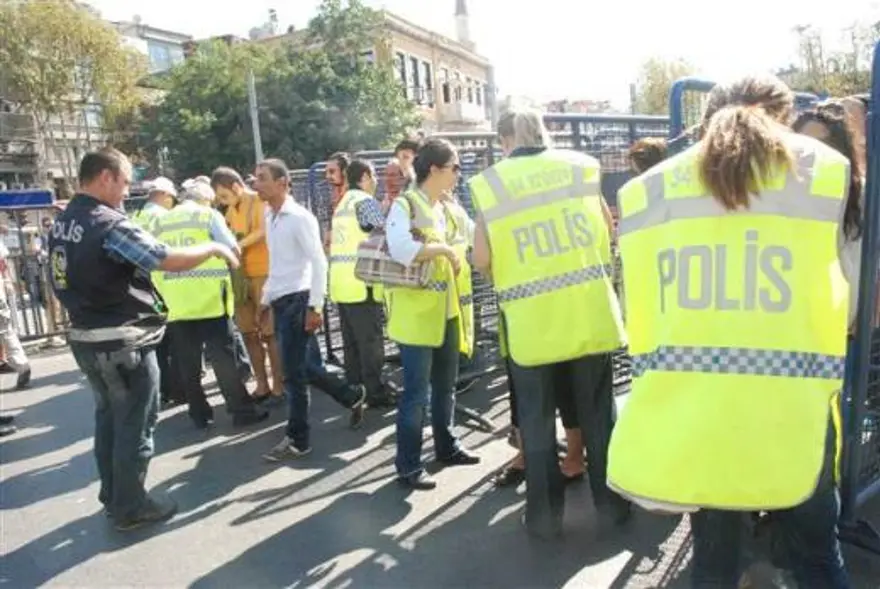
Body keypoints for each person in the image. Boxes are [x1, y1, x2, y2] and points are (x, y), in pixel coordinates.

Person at [608, 76, 851, 588]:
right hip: (794, 413)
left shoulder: (650, 191)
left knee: (715, 566)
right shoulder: (821, 176)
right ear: (779, 118)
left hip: (703, 418)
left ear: (704, 120)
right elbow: (848, 300)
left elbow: (640, 309)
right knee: (816, 560)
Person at [49, 147, 240, 531]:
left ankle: (113, 496)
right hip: (121, 340)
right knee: (135, 424)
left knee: (108, 420)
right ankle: (131, 506)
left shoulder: (64, 221)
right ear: (105, 177)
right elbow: (163, 258)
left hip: (86, 336)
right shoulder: (108, 223)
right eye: (122, 183)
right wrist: (215, 247)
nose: (124, 193)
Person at [470, 109, 630, 537]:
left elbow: (482, 257)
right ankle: (614, 507)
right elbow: (607, 229)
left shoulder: (493, 184)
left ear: (505, 140)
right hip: (588, 317)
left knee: (538, 428)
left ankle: (542, 518)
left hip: (531, 326)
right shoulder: (581, 169)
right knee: (599, 419)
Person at [254, 158, 367, 462]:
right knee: (303, 368)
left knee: (293, 375)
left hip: (300, 301)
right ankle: (352, 395)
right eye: (255, 178)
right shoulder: (271, 216)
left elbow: (318, 261)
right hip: (282, 301)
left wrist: (315, 306)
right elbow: (277, 264)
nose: (256, 183)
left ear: (282, 183)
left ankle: (298, 439)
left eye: (262, 178)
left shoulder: (299, 218)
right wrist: (265, 300)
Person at [385, 138, 481, 491]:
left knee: (445, 388)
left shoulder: (446, 207)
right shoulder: (406, 205)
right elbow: (401, 248)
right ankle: (408, 465)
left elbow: (473, 234)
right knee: (415, 396)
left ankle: (446, 445)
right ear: (435, 170)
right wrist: (442, 250)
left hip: (447, 313)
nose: (459, 174)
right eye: (455, 167)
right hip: (416, 320)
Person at [152, 180, 269, 430]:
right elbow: (233, 249)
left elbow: (154, 260)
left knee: (188, 363)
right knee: (223, 359)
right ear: (206, 199)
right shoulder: (208, 216)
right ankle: (241, 411)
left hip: (177, 302)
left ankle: (199, 414)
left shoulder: (162, 221)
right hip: (210, 300)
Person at [211, 166, 284, 404]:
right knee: (249, 334)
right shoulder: (232, 209)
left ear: (235, 186)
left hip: (263, 274)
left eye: (224, 195)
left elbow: (262, 231)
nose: (223, 202)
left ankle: (278, 387)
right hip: (241, 278)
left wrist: (236, 246)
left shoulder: (257, 201)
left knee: (270, 334)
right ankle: (261, 385)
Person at [328, 159, 395, 408]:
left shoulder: (344, 202)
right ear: (366, 176)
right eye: (374, 175)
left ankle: (356, 390)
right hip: (362, 284)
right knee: (370, 342)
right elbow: (385, 233)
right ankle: (376, 392)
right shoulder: (364, 202)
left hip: (343, 284)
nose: (376, 180)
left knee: (352, 344)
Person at [130, 177, 184, 407]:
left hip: (144, 288)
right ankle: (177, 389)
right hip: (166, 285)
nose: (172, 203)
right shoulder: (165, 217)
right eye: (171, 198)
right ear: (163, 195)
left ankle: (162, 390)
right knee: (174, 341)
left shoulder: (137, 217)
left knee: (156, 341)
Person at [382, 137, 420, 211]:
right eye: (391, 175)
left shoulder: (414, 173)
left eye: (410, 152)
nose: (393, 179)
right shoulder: (393, 165)